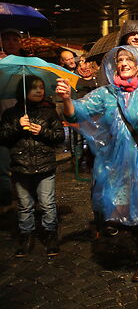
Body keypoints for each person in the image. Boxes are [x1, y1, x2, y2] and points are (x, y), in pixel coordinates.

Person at [55, 45, 138, 282]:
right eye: (119, 60)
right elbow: (76, 114)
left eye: (129, 59)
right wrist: (66, 99)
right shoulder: (106, 94)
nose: (123, 63)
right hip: (113, 165)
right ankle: (134, 245)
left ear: (137, 64)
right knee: (118, 211)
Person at [0, 76, 64, 257]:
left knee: (47, 203)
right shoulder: (11, 114)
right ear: (23, 90)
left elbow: (59, 136)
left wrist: (42, 131)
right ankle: (26, 235)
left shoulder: (49, 112)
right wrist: (18, 127)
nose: (39, 91)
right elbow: (3, 137)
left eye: (41, 87)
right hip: (21, 167)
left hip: (45, 166)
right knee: (24, 204)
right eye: (34, 88)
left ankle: (50, 234)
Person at [97, 20, 138, 85]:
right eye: (132, 34)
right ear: (125, 36)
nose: (136, 37)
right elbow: (103, 84)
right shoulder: (110, 57)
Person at [0, 29, 23, 210]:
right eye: (6, 39)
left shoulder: (26, 65)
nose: (10, 43)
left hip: (20, 120)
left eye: (15, 39)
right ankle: (7, 203)